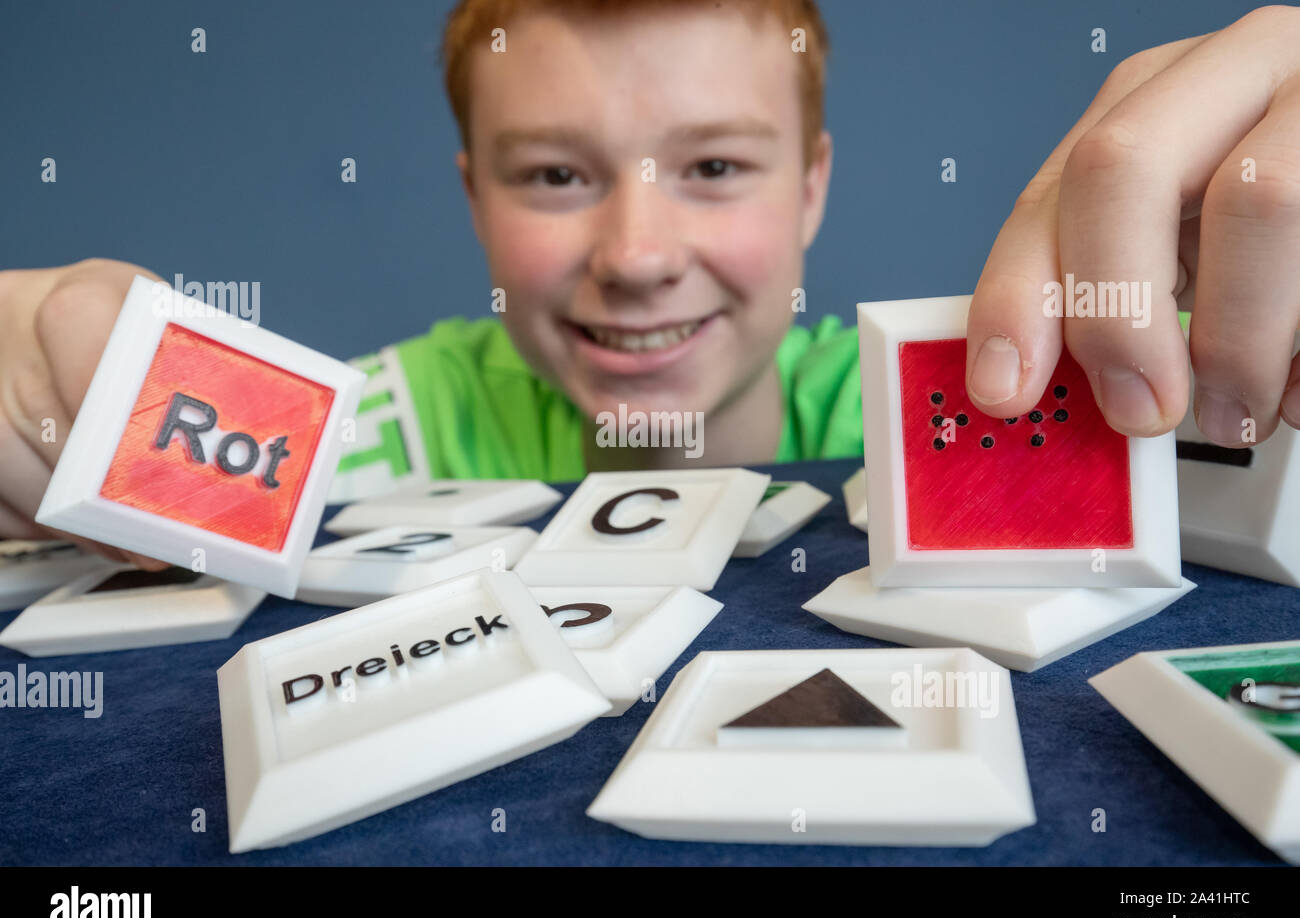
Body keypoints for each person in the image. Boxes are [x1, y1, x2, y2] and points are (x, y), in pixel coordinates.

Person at [2, 0, 1298, 567]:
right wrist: (50, 394)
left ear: (811, 189)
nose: (633, 255)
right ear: (473, 196)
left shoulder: (1004, 414)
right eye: (556, 177)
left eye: (717, 165)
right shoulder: (365, 436)